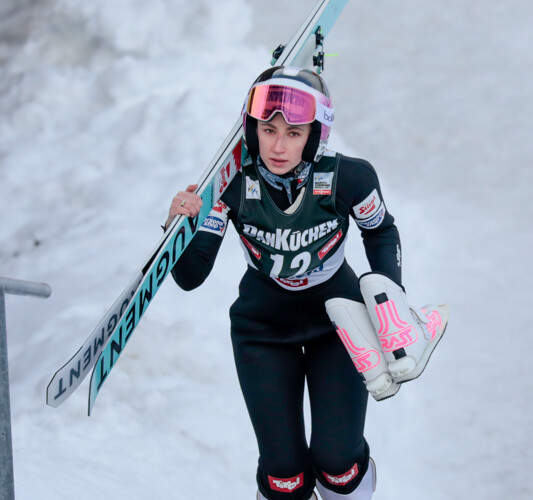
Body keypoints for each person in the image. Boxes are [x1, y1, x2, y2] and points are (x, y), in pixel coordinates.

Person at [164, 66, 448, 500]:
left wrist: (389, 302)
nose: (278, 145)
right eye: (268, 129)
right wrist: (178, 228)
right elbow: (190, 276)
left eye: (294, 133)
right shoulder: (229, 183)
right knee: (283, 475)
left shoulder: (349, 178)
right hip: (261, 328)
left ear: (315, 135)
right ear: (251, 126)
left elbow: (380, 230)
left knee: (338, 464)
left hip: (340, 322)